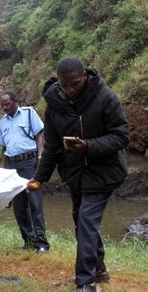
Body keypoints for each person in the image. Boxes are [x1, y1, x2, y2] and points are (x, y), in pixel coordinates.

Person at [27, 57, 129, 292]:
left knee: (86, 220)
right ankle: (100, 269)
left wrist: (88, 146)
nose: (70, 89)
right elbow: (51, 146)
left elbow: (121, 136)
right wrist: (39, 178)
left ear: (85, 76)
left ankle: (85, 282)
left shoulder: (105, 97)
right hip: (74, 173)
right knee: (82, 221)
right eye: (65, 85)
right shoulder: (54, 104)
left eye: (75, 83)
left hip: (104, 171)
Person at [0, 91, 50, 253]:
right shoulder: (2, 122)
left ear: (15, 100)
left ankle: (42, 243)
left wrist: (40, 157)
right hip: (12, 165)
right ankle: (28, 241)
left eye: (8, 104)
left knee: (34, 202)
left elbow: (39, 135)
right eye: (2, 105)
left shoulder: (28, 113)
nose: (5, 107)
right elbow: (4, 148)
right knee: (19, 206)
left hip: (29, 162)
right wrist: (3, 172)